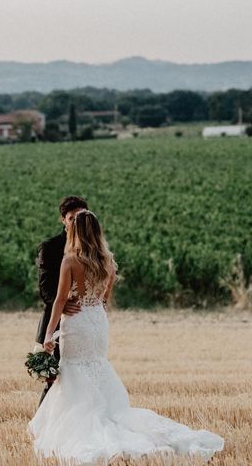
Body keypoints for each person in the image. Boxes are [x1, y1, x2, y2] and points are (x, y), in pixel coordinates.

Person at [27, 209, 224, 465]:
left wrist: (48, 337)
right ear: (97, 231)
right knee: (97, 364)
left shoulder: (70, 261)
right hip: (97, 320)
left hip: (77, 323)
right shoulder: (107, 260)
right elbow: (106, 296)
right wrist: (95, 304)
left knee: (74, 368)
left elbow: (61, 300)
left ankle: (86, 426)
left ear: (75, 232)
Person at [34, 196, 88, 408]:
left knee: (83, 379)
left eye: (80, 217)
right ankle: (43, 430)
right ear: (63, 220)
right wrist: (63, 306)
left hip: (84, 323)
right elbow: (45, 289)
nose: (76, 222)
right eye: (71, 218)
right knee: (54, 380)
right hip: (57, 323)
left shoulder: (92, 248)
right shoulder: (50, 247)